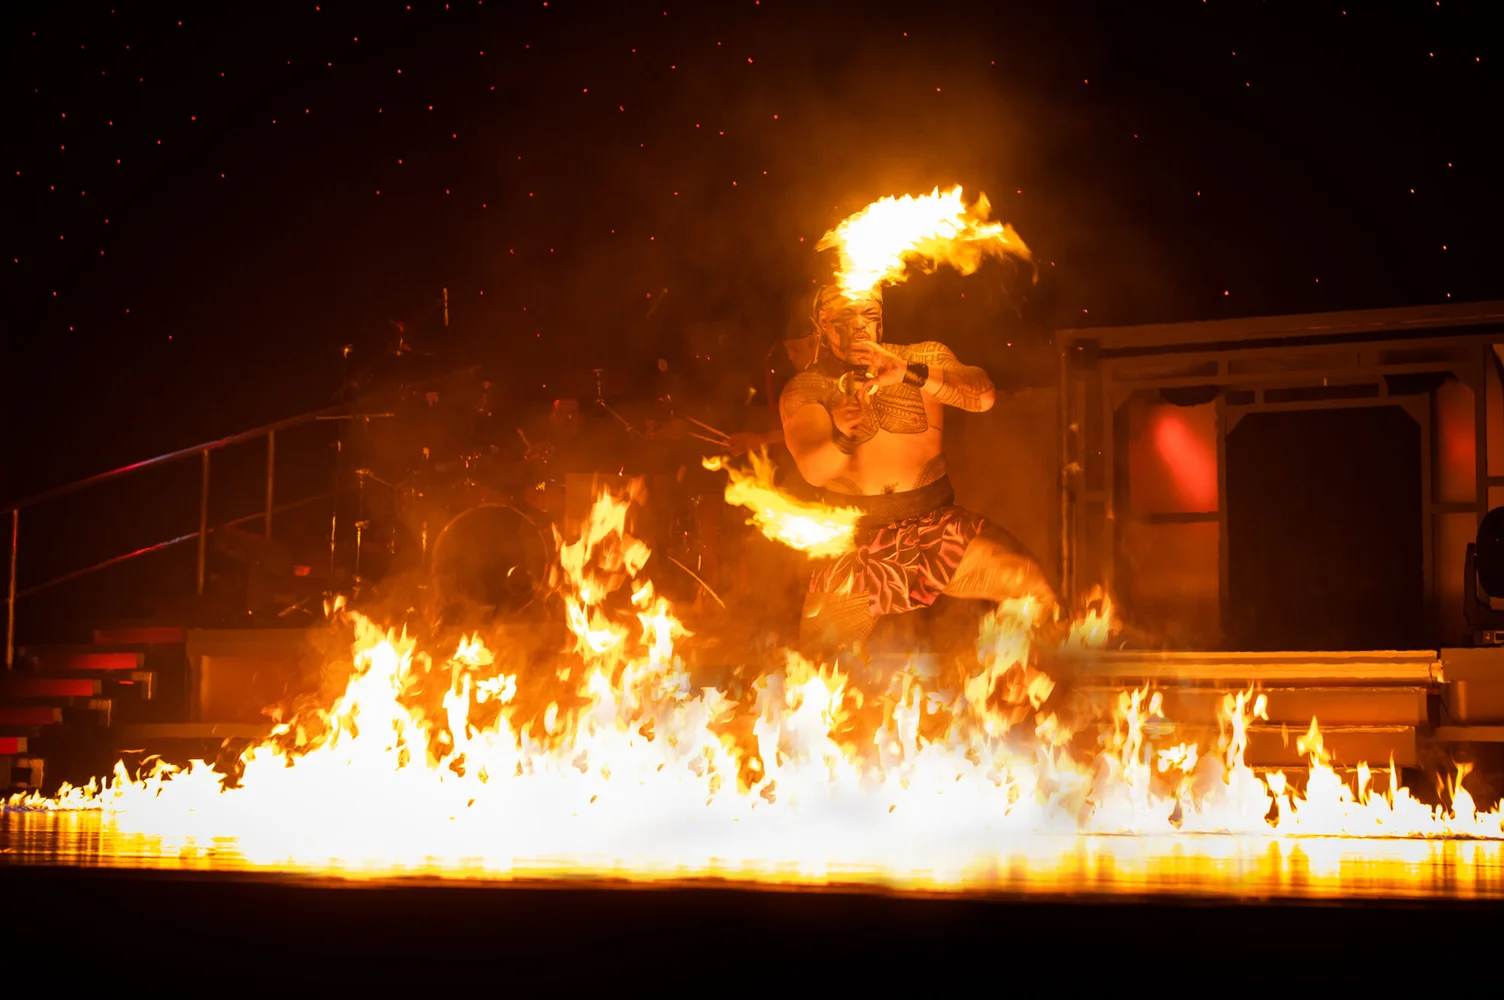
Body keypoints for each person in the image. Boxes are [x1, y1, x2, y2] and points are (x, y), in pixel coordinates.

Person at [780, 284, 1057, 650]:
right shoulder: (808, 388)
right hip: (856, 546)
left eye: (869, 315)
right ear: (822, 323)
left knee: (1032, 588)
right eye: (844, 319)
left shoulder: (923, 357)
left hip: (937, 529)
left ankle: (1016, 689)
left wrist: (912, 374)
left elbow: (984, 397)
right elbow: (814, 470)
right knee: (818, 665)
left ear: (882, 317)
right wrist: (843, 435)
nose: (859, 327)